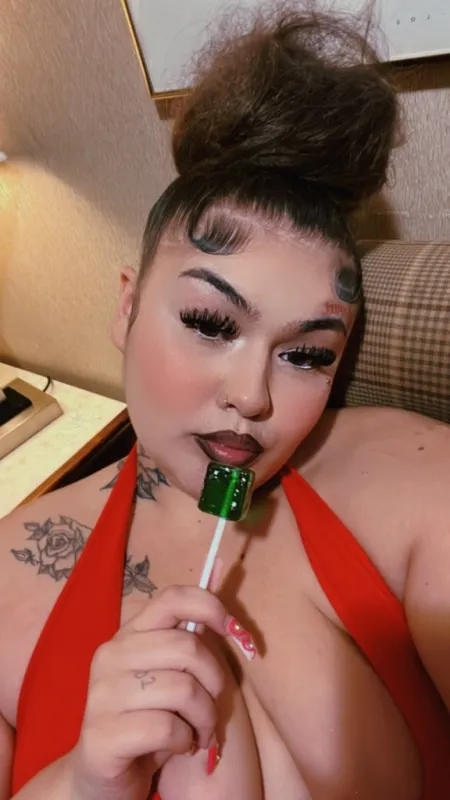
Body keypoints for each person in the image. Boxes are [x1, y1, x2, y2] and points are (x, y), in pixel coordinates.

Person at [1, 4, 450, 799]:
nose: (252, 396)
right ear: (128, 306)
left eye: (307, 354)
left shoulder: (409, 480)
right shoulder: (11, 570)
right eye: (211, 324)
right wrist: (83, 786)